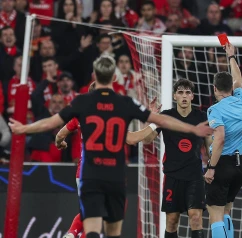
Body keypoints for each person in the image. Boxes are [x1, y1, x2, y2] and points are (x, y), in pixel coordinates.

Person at [8, 55, 213, 238]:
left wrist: (23, 128)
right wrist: (192, 130)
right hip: (114, 174)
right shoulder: (124, 103)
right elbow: (163, 121)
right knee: (113, 230)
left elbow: (52, 123)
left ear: (95, 76)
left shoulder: (82, 104)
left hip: (89, 172)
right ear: (114, 79)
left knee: (92, 224)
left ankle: (71, 234)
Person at [58, 82, 161, 238]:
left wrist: (61, 143)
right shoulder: (111, 116)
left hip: (83, 172)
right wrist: (154, 124)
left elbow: (60, 134)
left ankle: (71, 234)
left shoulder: (81, 114)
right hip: (105, 171)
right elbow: (132, 139)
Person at [128, 78, 212, 238]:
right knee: (172, 221)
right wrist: (147, 118)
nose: (184, 96)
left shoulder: (201, 117)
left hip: (195, 176)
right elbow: (146, 139)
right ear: (175, 96)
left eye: (188, 92)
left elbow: (209, 147)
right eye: (180, 92)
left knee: (196, 217)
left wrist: (213, 167)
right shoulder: (166, 116)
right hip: (172, 176)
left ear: (193, 96)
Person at [203, 43, 242, 238]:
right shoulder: (241, 99)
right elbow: (238, 79)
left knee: (215, 215)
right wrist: (231, 56)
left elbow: (219, 138)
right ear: (231, 88)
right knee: (227, 211)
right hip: (240, 166)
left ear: (214, 88)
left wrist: (211, 167)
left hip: (221, 164)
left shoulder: (215, 110)